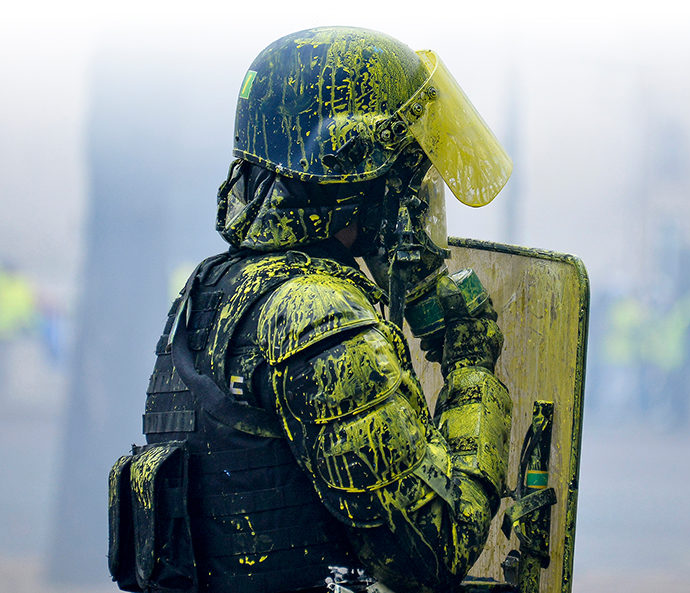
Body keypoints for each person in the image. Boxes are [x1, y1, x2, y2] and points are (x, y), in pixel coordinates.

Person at [109, 27, 513, 593]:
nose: (415, 200)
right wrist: (472, 372)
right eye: (406, 177)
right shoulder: (316, 314)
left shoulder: (206, 294)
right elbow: (436, 547)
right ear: (354, 169)